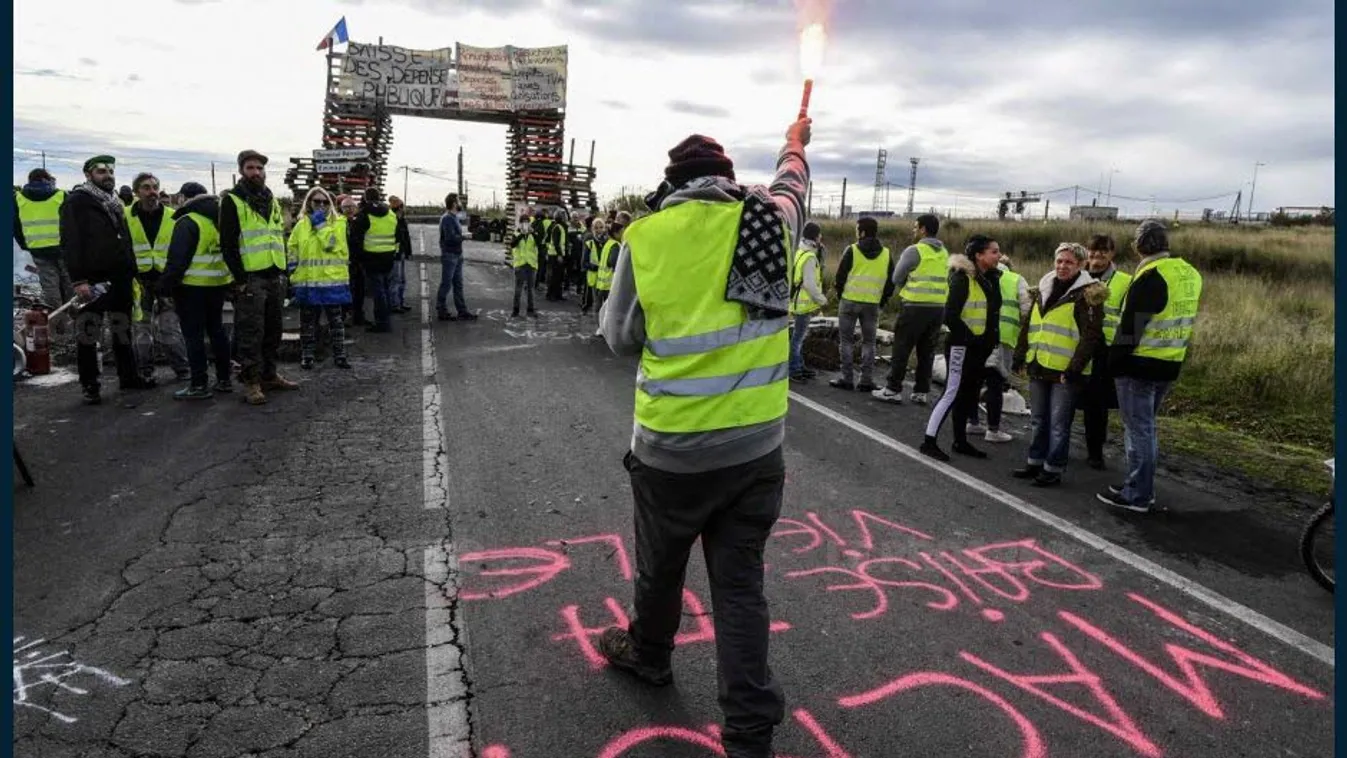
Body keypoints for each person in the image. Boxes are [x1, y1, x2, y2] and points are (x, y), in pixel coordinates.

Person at [599, 119, 810, 758]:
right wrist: (795, 140)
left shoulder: (647, 236)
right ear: (725, 179)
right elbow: (792, 184)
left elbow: (619, 337)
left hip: (673, 450)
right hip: (755, 450)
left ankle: (651, 655)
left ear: (673, 186)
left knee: (662, 568)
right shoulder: (767, 222)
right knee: (741, 587)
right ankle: (749, 731)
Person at [1097, 220, 1203, 513]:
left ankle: (1138, 494)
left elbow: (1131, 328)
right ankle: (1138, 485)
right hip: (1169, 361)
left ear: (1138, 246)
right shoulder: (1189, 273)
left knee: (1139, 431)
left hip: (1139, 365)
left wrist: (1113, 363)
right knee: (1146, 428)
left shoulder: (1151, 276)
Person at [1011, 243, 1106, 487]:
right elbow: (1029, 324)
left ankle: (1053, 468)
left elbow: (1091, 336)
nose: (1062, 266)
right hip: (1039, 363)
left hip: (1065, 371)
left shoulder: (1089, 293)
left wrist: (1074, 369)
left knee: (1058, 423)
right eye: (1059, 261)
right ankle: (1035, 461)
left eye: (1069, 262)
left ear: (1081, 265)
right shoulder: (1044, 286)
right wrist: (1020, 354)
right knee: (1038, 418)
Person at [60, 155, 152, 404]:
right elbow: (71, 242)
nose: (108, 175)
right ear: (88, 175)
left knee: (122, 327)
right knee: (89, 332)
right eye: (101, 171)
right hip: (92, 279)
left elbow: (124, 239)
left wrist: (133, 271)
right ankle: (90, 384)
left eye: (110, 170)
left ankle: (128, 376)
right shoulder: (77, 201)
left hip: (120, 276)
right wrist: (79, 280)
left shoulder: (115, 202)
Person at [220, 149, 299, 406]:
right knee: (250, 333)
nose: (256, 172)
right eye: (250, 168)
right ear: (242, 171)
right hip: (251, 277)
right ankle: (251, 382)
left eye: (260, 168)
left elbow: (278, 238)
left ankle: (269, 375)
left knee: (273, 330)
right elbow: (228, 244)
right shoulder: (233, 201)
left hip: (273, 274)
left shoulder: (271, 200)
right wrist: (240, 279)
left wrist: (283, 273)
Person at [919, 234, 1003, 461]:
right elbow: (950, 315)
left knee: (968, 394)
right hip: (961, 346)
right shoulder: (962, 278)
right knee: (951, 392)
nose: (998, 256)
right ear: (979, 255)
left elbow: (991, 313)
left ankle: (960, 441)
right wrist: (970, 338)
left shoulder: (989, 279)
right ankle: (929, 441)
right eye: (993, 251)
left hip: (979, 349)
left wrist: (989, 340)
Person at [158, 182, 233, 400]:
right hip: (217, 285)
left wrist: (164, 286)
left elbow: (177, 261)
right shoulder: (217, 221)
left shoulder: (188, 221)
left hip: (191, 288)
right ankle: (224, 379)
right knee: (218, 332)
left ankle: (199, 384)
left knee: (193, 337)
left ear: (183, 198)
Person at [872, 213, 948, 405]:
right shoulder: (943, 252)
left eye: (916, 227)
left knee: (902, 347)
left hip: (915, 306)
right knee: (927, 351)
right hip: (938, 308)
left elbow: (896, 277)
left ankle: (892, 389)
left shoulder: (915, 251)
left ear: (923, 229)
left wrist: (909, 284)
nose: (914, 230)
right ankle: (921, 391)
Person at [126, 172, 190, 382]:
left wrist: (172, 279)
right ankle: (145, 371)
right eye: (146, 187)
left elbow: (181, 251)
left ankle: (182, 370)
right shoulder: (125, 216)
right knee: (142, 329)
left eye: (154, 187)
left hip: (167, 281)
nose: (152, 192)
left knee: (170, 328)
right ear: (136, 192)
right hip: (138, 282)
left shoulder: (173, 217)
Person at [1078, 233, 1131, 469]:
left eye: (1102, 253)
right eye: (1092, 253)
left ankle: (1095, 452)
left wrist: (1122, 352)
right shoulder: (1078, 277)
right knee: (1067, 400)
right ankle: (1056, 445)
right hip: (1075, 348)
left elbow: (1130, 320)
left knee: (1096, 406)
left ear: (1112, 254)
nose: (1097, 258)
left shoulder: (1124, 281)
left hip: (1104, 352)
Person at [286, 188, 352, 370]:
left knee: (336, 322)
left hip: (332, 281)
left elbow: (332, 245)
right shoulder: (301, 225)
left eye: (324, 202)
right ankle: (307, 355)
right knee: (307, 323)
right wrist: (293, 272)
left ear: (330, 204)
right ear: (309, 203)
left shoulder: (339, 223)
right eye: (317, 202)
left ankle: (340, 355)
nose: (321, 205)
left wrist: (321, 225)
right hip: (308, 282)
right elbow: (292, 248)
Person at [967, 254, 1030, 443]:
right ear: (1010, 266)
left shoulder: (975, 276)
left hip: (975, 335)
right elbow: (1028, 311)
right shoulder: (1016, 279)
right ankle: (993, 429)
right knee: (996, 381)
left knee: (975, 379)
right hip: (1003, 338)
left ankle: (972, 422)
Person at [828, 216, 893, 392]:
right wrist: (882, 300)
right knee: (869, 342)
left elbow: (840, 277)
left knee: (846, 341)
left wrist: (842, 295)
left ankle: (847, 378)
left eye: (857, 230)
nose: (856, 233)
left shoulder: (852, 250)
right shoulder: (886, 254)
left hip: (849, 302)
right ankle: (866, 380)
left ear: (862, 232)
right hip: (872, 304)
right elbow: (890, 282)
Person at [14, 167, 75, 311]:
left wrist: (25, 244)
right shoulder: (61, 195)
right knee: (69, 282)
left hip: (37, 249)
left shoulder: (17, 198)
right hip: (62, 248)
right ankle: (72, 315)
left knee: (50, 286)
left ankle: (57, 319)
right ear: (47, 179)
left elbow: (15, 225)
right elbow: (72, 223)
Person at [350, 188, 401, 333]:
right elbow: (398, 236)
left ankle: (383, 323)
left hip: (371, 258)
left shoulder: (364, 213)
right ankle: (385, 319)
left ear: (365, 198)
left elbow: (356, 238)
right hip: (388, 257)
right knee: (384, 289)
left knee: (378, 292)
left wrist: (358, 259)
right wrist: (394, 253)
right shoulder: (390, 214)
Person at [789, 221, 828, 382]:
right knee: (798, 338)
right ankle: (793, 369)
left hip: (799, 302)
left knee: (800, 337)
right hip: (803, 304)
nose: (821, 238)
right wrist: (822, 300)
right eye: (819, 235)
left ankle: (799, 365)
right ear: (816, 236)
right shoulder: (810, 257)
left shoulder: (800, 251)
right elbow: (810, 284)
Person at [436, 193, 477, 321]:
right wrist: (464, 236)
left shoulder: (454, 217)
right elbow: (450, 238)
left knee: (458, 284)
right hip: (450, 254)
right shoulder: (448, 218)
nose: (460, 203)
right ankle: (441, 310)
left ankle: (462, 311)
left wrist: (462, 235)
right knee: (446, 284)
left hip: (457, 254)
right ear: (454, 203)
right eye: (458, 201)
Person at [509, 212, 540, 318]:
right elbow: (512, 245)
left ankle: (531, 309)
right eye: (523, 222)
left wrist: (533, 233)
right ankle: (515, 309)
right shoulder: (517, 233)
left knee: (531, 288)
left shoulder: (533, 234)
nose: (525, 224)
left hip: (531, 264)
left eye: (527, 222)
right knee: (518, 288)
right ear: (520, 223)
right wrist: (522, 234)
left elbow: (539, 244)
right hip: (520, 263)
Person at [388, 194, 412, 314]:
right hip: (395, 254)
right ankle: (394, 304)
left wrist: (408, 252)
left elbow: (405, 238)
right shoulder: (393, 220)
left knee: (402, 280)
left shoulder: (402, 220)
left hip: (401, 253)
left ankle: (400, 302)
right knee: (395, 280)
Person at [580, 217, 607, 315]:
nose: (599, 230)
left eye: (601, 227)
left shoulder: (607, 242)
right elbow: (583, 263)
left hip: (606, 278)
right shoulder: (589, 243)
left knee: (606, 304)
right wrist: (594, 267)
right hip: (595, 278)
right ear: (592, 229)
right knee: (597, 303)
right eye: (596, 228)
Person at [545, 208, 569, 301]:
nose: (565, 217)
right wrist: (559, 254)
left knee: (560, 276)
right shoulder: (557, 227)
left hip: (559, 254)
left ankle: (558, 294)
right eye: (564, 216)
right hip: (554, 255)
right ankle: (550, 295)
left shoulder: (562, 227)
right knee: (554, 276)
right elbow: (556, 242)